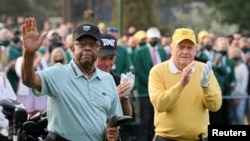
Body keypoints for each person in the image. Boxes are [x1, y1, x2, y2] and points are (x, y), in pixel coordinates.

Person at [21, 17, 122, 141]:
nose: (87, 48)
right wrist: (29, 53)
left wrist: (112, 133)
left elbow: (113, 122)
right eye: (81, 44)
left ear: (99, 50)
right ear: (72, 48)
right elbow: (29, 80)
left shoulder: (108, 80)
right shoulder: (58, 73)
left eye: (92, 44)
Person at [148, 28, 222, 141]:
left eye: (189, 48)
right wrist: (181, 84)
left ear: (196, 49)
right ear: (171, 48)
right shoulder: (158, 71)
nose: (185, 52)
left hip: (200, 138)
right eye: (181, 47)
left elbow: (215, 106)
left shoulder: (204, 70)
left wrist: (206, 88)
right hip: (166, 138)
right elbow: (160, 105)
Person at [95, 33, 134, 140]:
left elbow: (127, 115)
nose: (107, 63)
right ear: (94, 55)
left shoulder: (115, 78)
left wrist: (125, 96)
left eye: (111, 58)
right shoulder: (85, 79)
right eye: (102, 58)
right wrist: (114, 96)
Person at [134, 27, 166, 141]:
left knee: (156, 117)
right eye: (152, 38)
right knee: (145, 117)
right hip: (144, 90)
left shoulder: (162, 51)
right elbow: (139, 70)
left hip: (159, 91)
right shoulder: (139, 52)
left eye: (156, 38)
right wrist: (152, 83)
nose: (154, 40)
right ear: (147, 39)